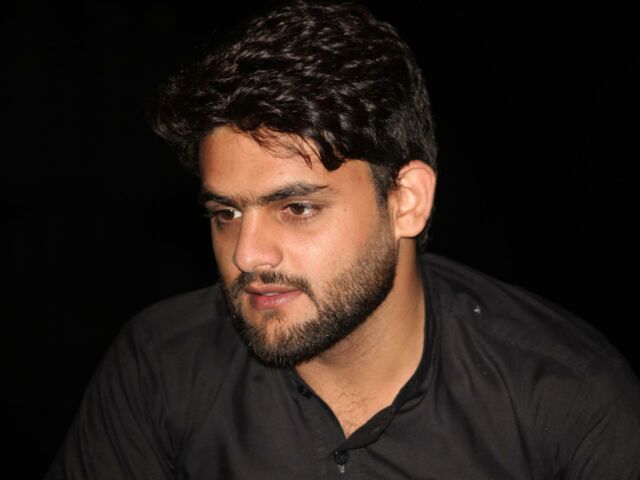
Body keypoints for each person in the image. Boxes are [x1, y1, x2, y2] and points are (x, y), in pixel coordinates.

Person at [46, 1, 640, 478]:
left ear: (406, 201)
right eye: (226, 212)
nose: (246, 255)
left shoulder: (569, 400)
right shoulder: (163, 364)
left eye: (297, 208)